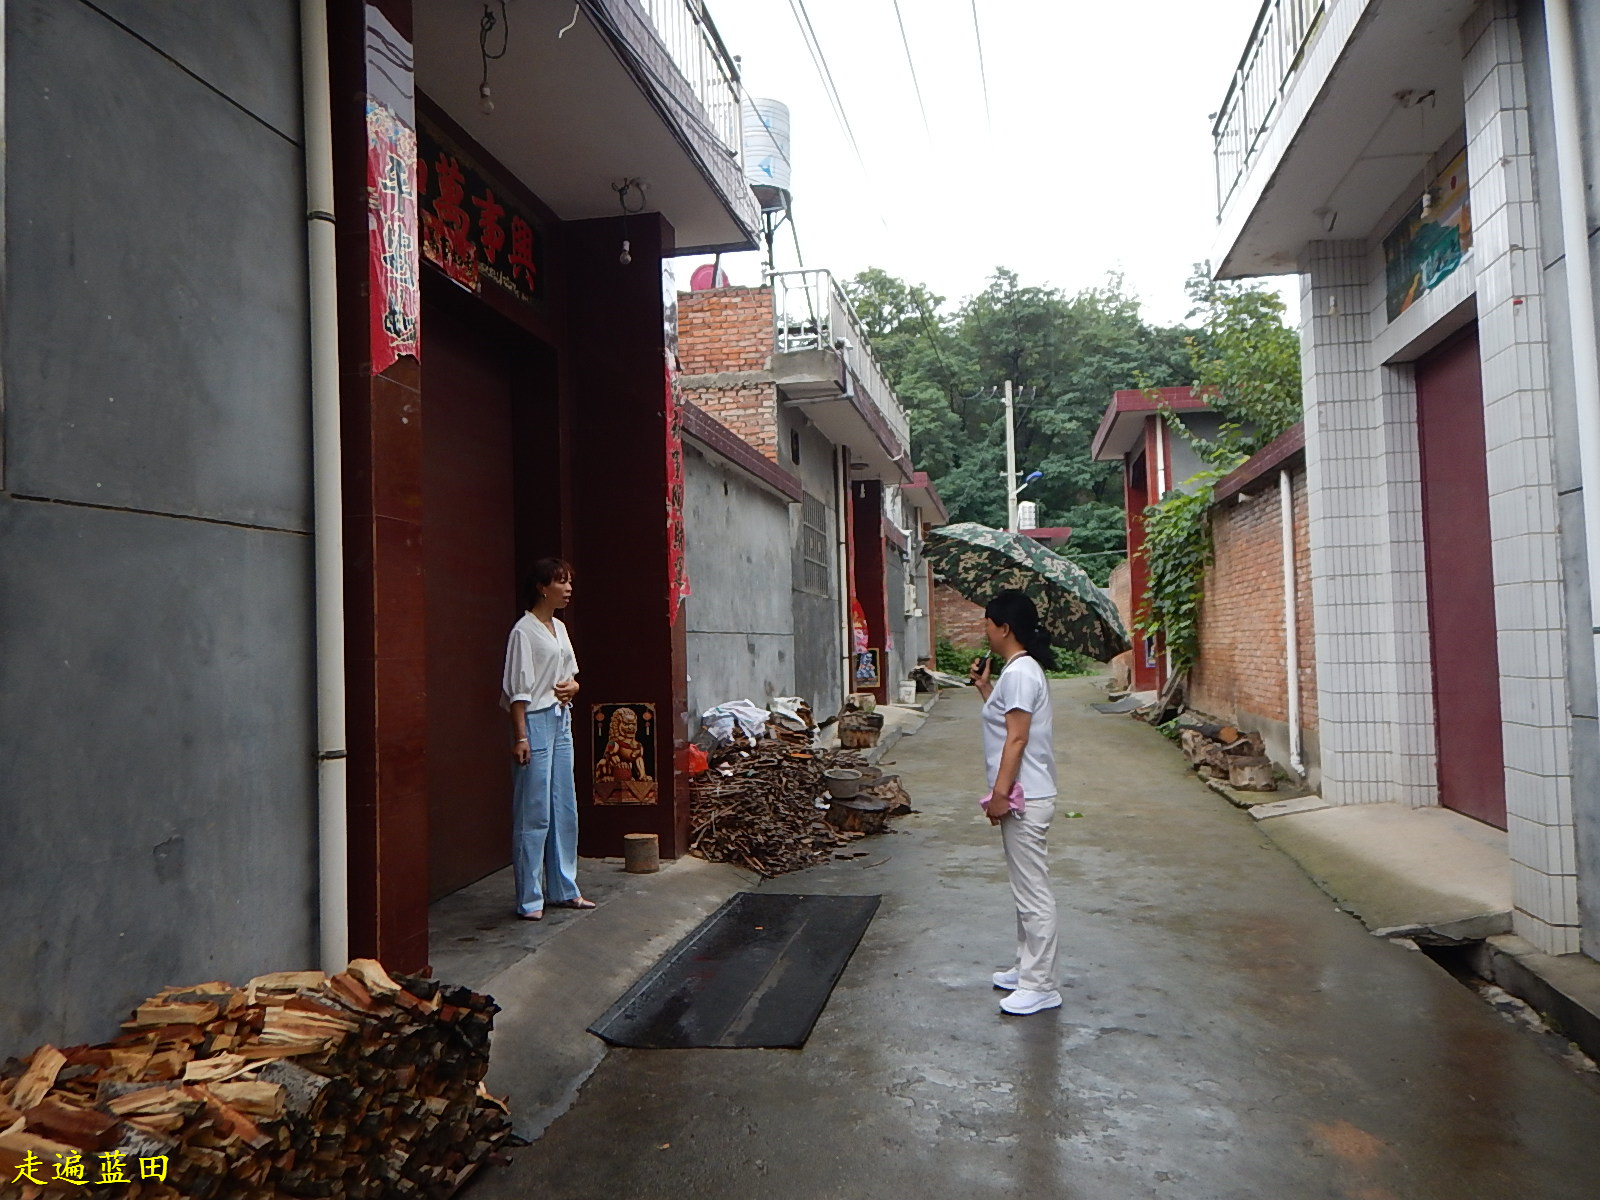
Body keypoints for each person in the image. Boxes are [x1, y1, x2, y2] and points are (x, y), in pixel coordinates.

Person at [969, 589, 1061, 1015]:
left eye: (988, 623)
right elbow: (1007, 720)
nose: (984, 631)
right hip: (1025, 793)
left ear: (1004, 628)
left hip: (1025, 795)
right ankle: (1028, 969)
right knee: (1024, 888)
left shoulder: (1022, 673)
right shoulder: (1015, 672)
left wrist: (1001, 796)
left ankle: (1040, 984)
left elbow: (1017, 737)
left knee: (1033, 892)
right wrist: (985, 687)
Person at [501, 557, 595, 921]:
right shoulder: (523, 631)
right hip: (536, 722)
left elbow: (571, 674)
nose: (568, 588)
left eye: (569, 580)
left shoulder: (559, 627)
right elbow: (516, 692)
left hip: (561, 720)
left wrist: (574, 687)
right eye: (561, 581)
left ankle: (564, 888)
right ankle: (530, 897)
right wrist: (520, 736)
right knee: (534, 809)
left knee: (564, 805)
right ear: (543, 586)